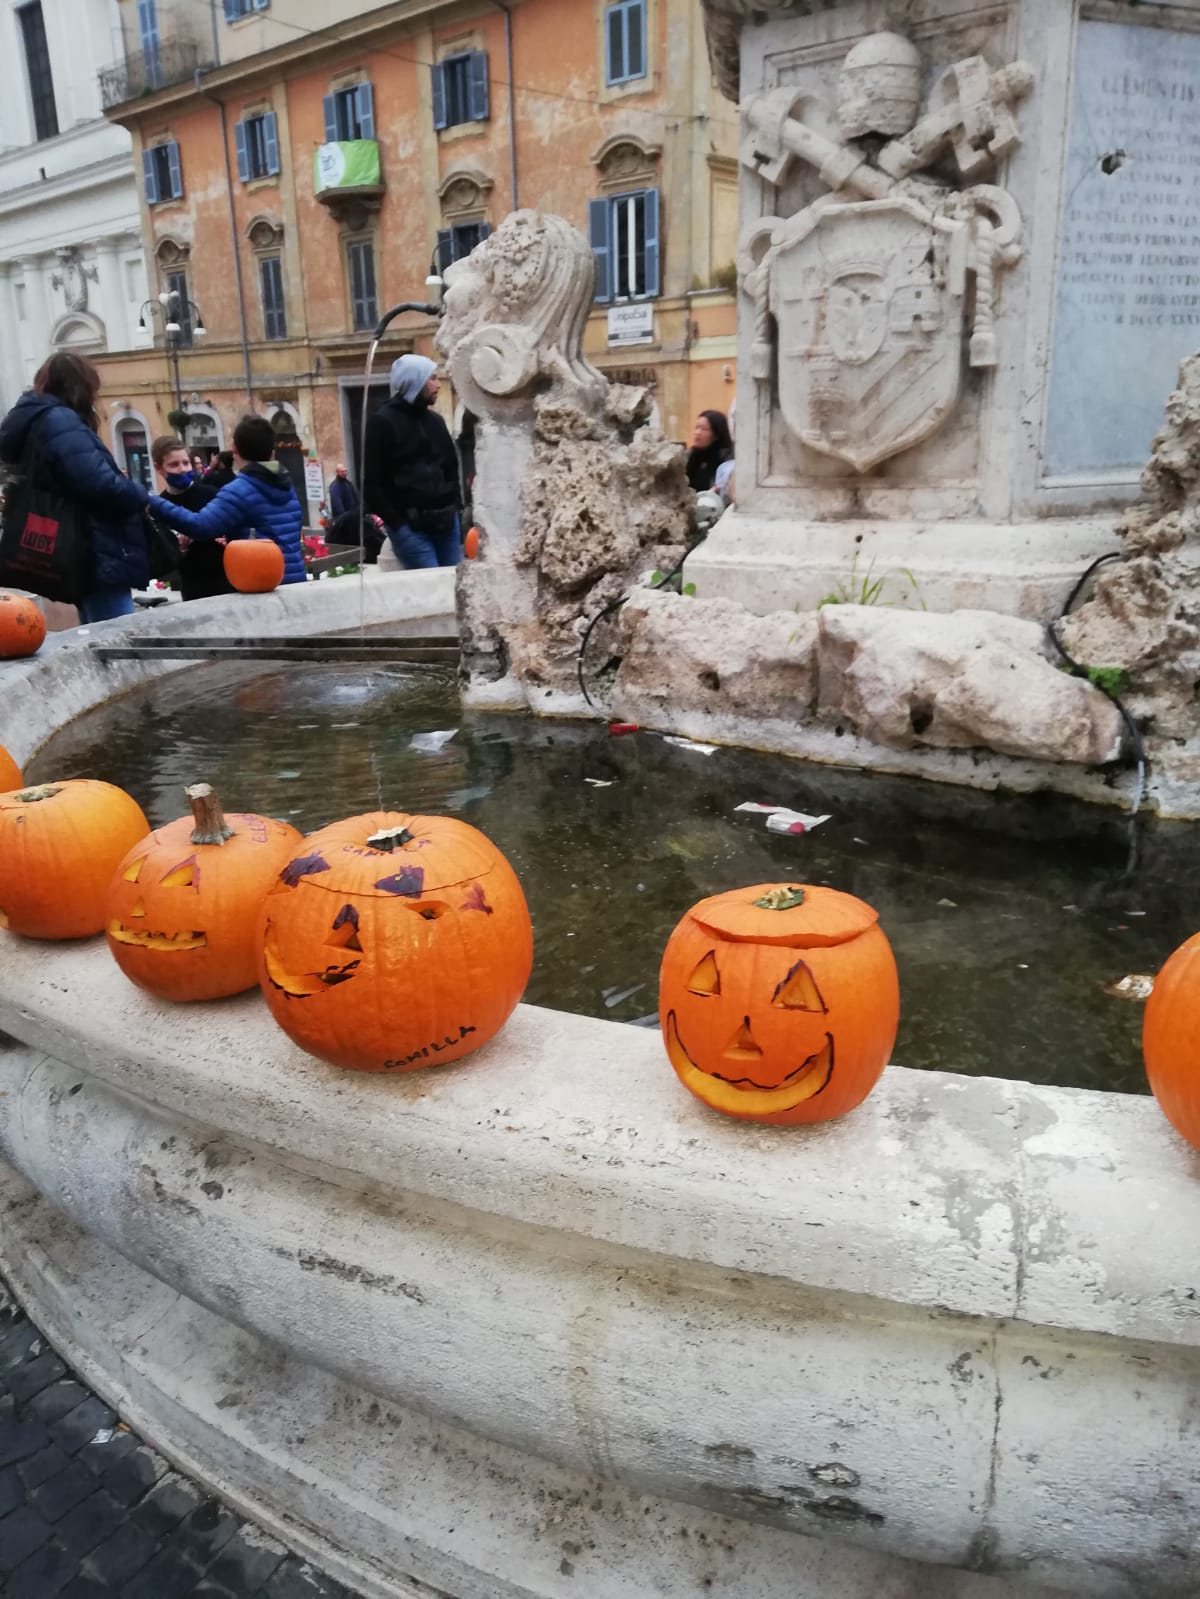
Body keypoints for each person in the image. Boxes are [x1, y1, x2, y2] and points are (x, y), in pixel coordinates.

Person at [0, 351, 151, 623]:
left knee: (96, 630)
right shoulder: (60, 421)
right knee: (118, 639)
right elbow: (99, 483)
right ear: (82, 387)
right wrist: (137, 493)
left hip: (73, 545)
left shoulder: (35, 419)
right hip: (95, 546)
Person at [148, 413, 306, 584]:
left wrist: (151, 502)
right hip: (294, 579)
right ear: (272, 453)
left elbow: (200, 526)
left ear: (234, 449)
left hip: (262, 584)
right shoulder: (285, 483)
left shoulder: (239, 490)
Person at [363, 354, 462, 568]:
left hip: (446, 524)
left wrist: (455, 507)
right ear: (415, 381)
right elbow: (372, 483)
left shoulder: (436, 421)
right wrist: (398, 525)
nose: (438, 384)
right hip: (411, 529)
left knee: (454, 589)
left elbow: (451, 467)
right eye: (432, 378)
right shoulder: (382, 422)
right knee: (431, 592)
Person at [150, 434, 233, 602]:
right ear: (159, 468)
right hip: (191, 585)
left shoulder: (211, 494)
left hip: (223, 580)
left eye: (185, 463)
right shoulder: (161, 505)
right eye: (174, 464)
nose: (182, 469)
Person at [685, 409, 733, 492]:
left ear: (716, 435)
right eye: (697, 427)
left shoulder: (726, 459)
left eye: (704, 429)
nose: (697, 432)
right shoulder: (689, 455)